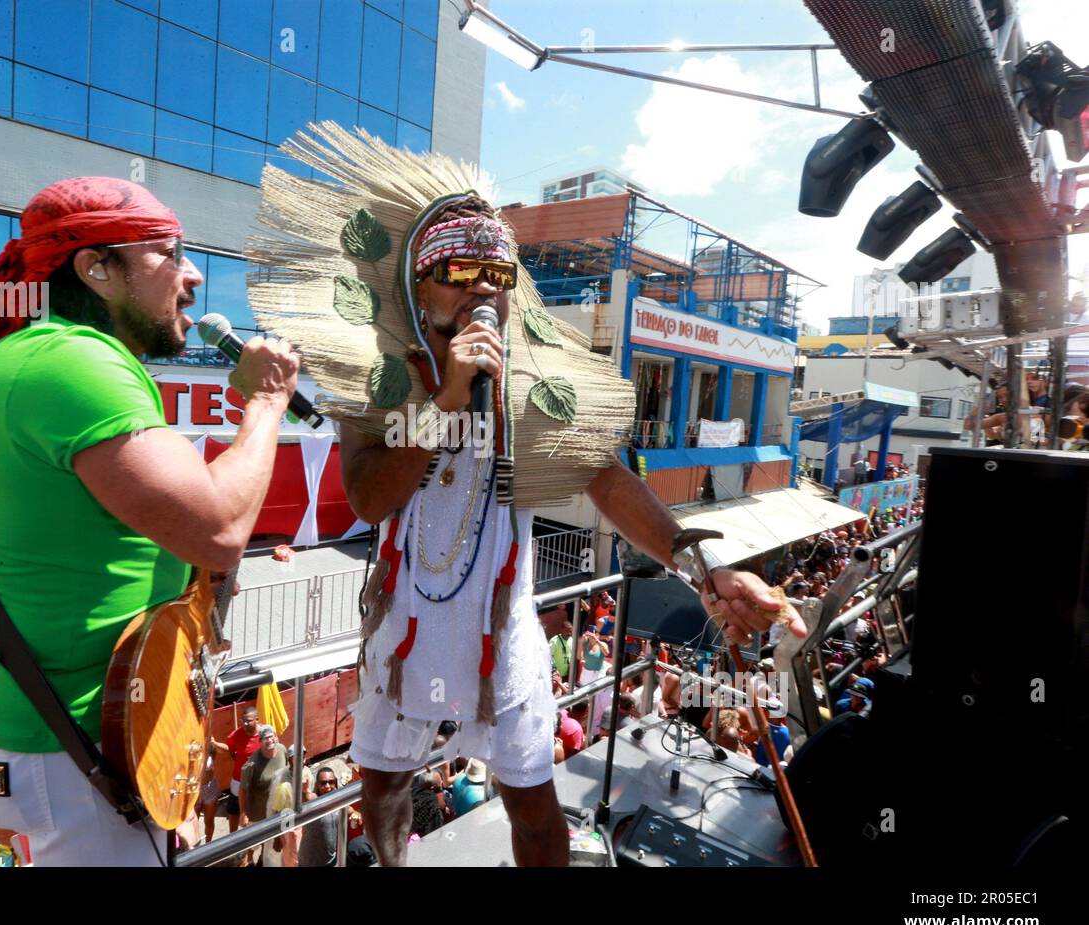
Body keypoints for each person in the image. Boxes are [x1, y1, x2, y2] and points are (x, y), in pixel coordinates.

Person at [264, 129, 804, 868]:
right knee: (383, 781)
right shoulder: (375, 380)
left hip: (502, 638)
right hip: (404, 633)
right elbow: (367, 499)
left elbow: (607, 479)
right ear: (420, 289)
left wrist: (699, 565)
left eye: (499, 274)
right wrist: (446, 400)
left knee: (534, 806)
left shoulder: (539, 392)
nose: (484, 288)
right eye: (461, 270)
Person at [0, 177, 299, 866]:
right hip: (74, 744)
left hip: (57, 738)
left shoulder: (39, 357)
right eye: (171, 253)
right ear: (97, 268)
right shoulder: (76, 362)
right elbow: (220, 530)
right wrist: (266, 402)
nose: (194, 276)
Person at [219, 706, 262, 836]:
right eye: (243, 720)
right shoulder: (237, 734)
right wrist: (215, 743)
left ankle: (250, 841)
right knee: (234, 812)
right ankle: (231, 839)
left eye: (248, 721)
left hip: (256, 782)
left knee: (254, 813)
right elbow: (230, 748)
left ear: (257, 720)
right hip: (238, 780)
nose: (245, 723)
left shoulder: (266, 733)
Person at [297, 767, 341, 867]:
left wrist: (355, 814)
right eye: (323, 783)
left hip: (332, 861)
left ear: (336, 782)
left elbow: (349, 810)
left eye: (331, 782)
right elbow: (308, 800)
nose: (327, 786)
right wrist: (305, 793)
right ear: (317, 784)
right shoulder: (315, 801)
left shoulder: (339, 799)